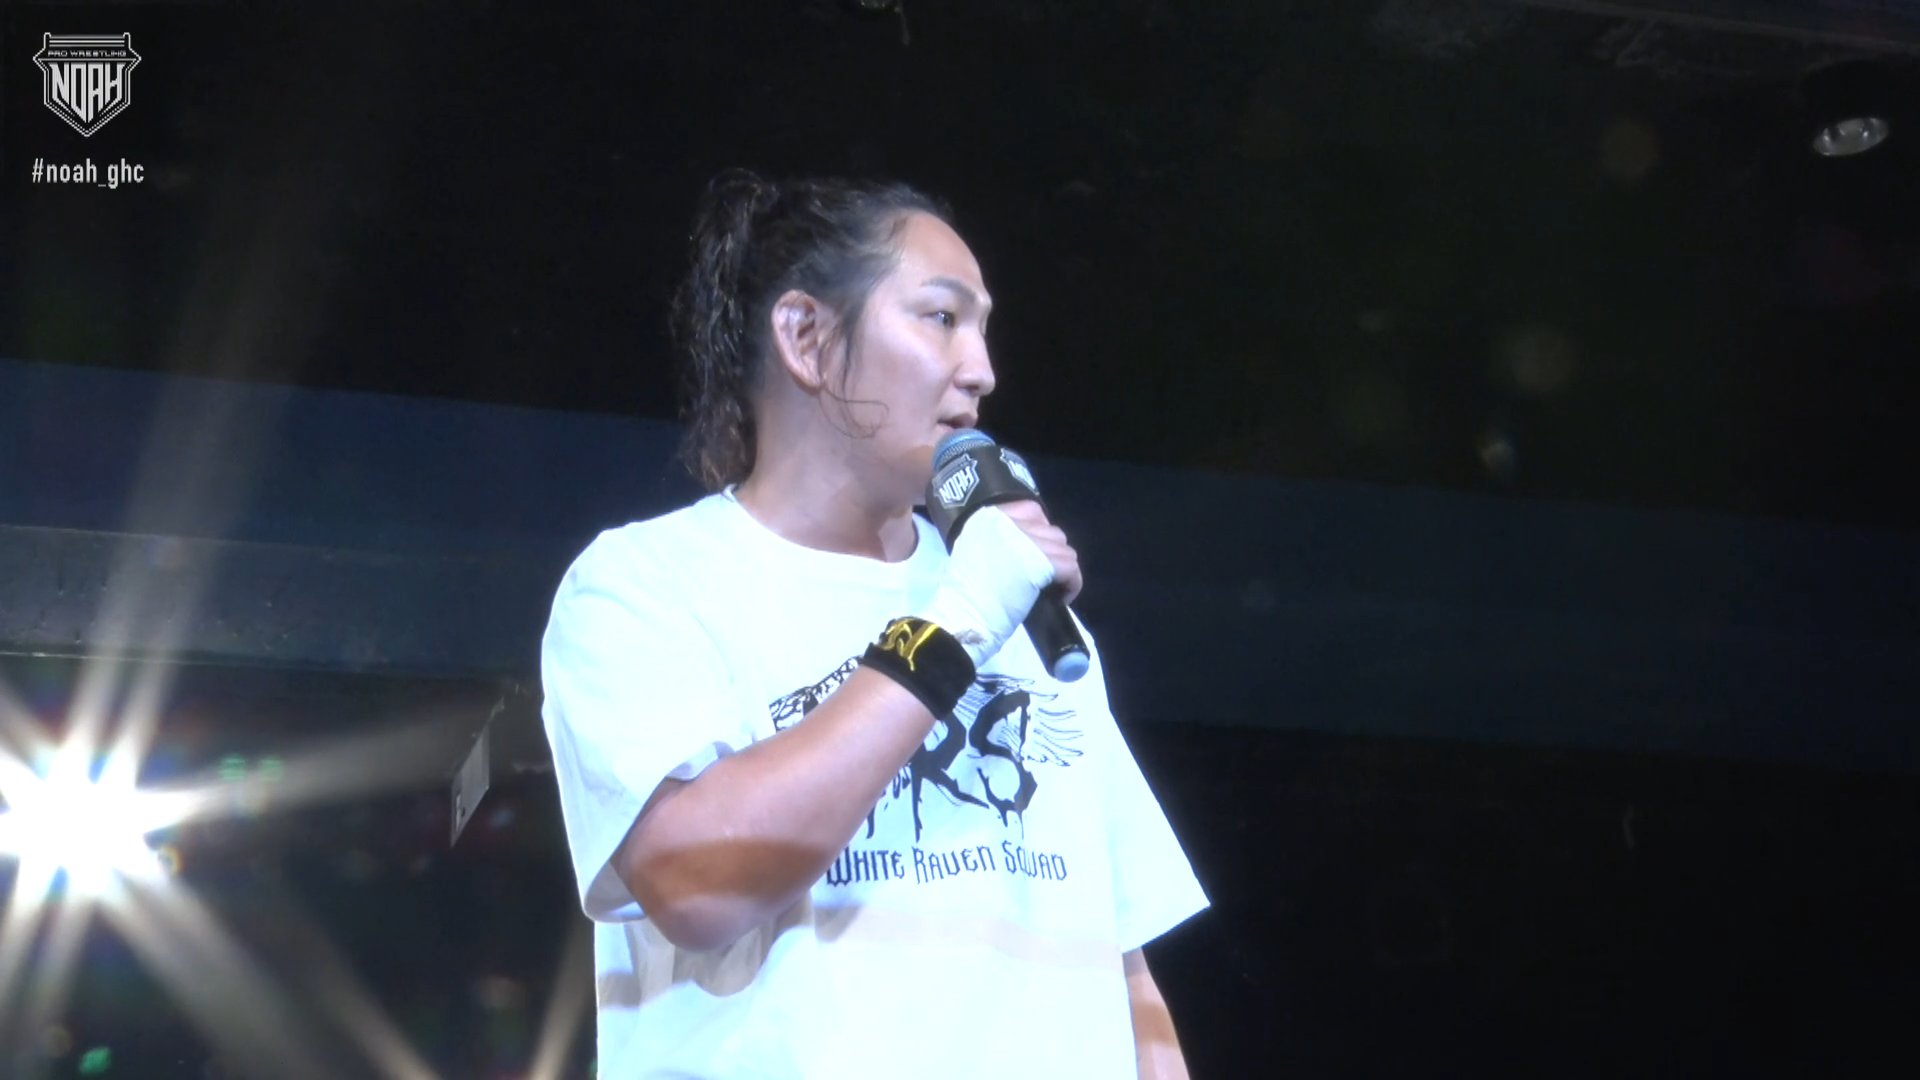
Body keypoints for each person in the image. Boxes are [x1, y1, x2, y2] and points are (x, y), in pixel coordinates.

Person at [539, 168, 1208, 1079]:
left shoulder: (1016, 603)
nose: (981, 370)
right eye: (942, 317)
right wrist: (959, 622)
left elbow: (1121, 966)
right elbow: (696, 886)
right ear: (806, 337)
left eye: (983, 329)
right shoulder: (646, 585)